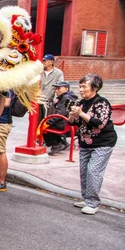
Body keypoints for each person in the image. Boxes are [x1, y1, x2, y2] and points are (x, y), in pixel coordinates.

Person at [68, 73, 117, 215]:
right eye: (80, 86)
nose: (81, 89)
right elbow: (74, 123)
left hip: (103, 142)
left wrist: (81, 114)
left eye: (84, 86)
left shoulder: (102, 102)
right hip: (85, 142)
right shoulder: (81, 103)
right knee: (84, 171)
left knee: (93, 171)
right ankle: (86, 198)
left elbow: (99, 123)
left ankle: (93, 203)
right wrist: (71, 117)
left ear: (94, 87)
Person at [44, 81, 78, 156]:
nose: (56, 90)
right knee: (48, 124)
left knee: (44, 128)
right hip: (67, 123)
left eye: (59, 88)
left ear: (66, 89)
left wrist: (47, 122)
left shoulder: (66, 98)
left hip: (65, 124)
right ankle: (62, 143)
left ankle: (57, 144)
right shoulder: (64, 97)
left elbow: (61, 113)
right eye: (56, 88)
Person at [40, 54, 64, 118]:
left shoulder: (58, 73)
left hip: (49, 102)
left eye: (45, 61)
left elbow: (60, 86)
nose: (43, 62)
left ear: (51, 62)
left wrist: (55, 99)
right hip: (38, 101)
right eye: (43, 61)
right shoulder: (39, 71)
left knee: (46, 121)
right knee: (36, 122)